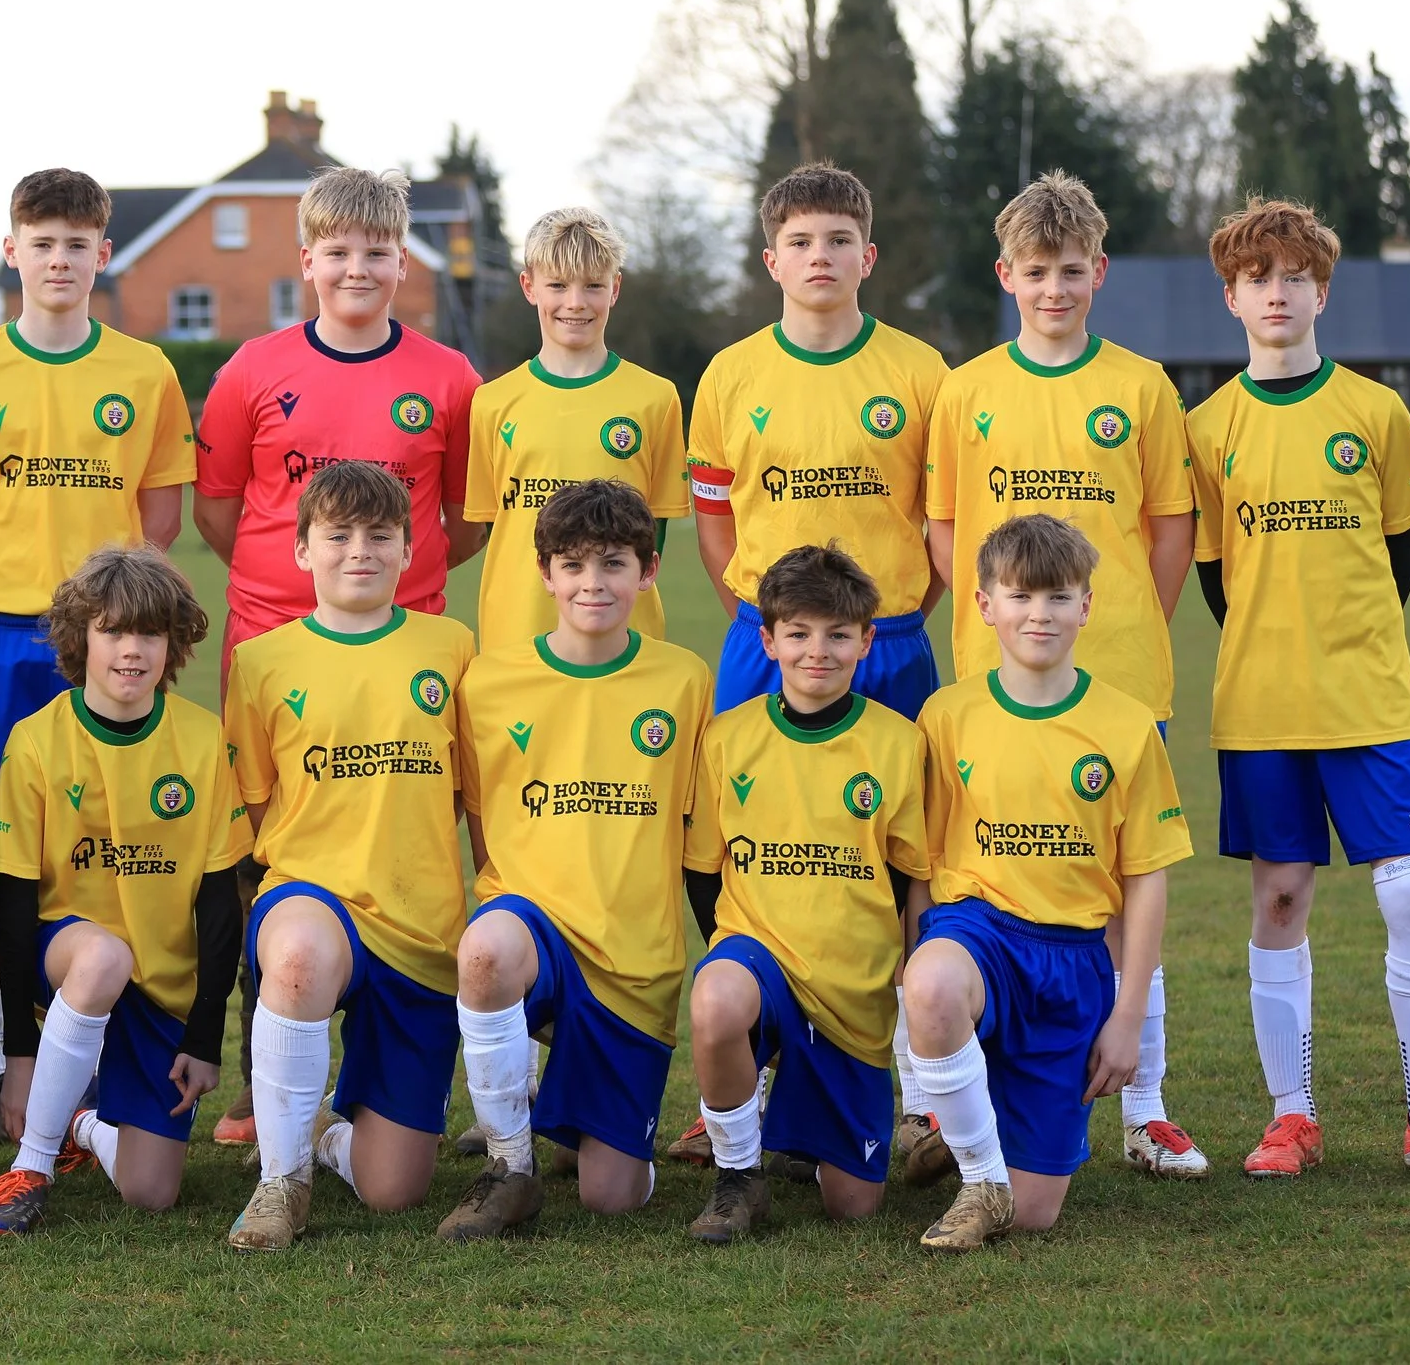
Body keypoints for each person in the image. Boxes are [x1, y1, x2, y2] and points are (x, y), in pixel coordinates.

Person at [1187, 199, 1410, 1183]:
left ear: (1321, 289)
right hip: (1258, 703)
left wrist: (1346, 642)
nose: (1276, 292)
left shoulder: (1375, 412)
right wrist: (1279, 645)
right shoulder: (1207, 430)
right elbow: (1215, 575)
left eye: (1294, 275)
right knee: (1279, 896)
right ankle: (1291, 1116)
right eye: (1257, 278)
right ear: (1231, 297)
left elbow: (1399, 551)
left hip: (1369, 697)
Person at [920, 171, 1205, 1181]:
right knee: (974, 874)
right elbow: (944, 522)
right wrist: (1002, 625)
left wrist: (1126, 621)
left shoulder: (1140, 385)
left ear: (1100, 273)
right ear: (1007, 275)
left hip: (1117, 675)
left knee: (1126, 881)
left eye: (1070, 271)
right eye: (1035, 271)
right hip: (990, 683)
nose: (1053, 288)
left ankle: (1146, 1102)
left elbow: (1169, 529)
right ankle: (939, 1096)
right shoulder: (967, 389)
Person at [193, 163, 481, 1145]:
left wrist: (396, 587)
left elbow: (463, 516)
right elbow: (220, 507)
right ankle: (258, 1074)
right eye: (339, 251)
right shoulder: (250, 369)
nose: (357, 267)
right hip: (271, 641)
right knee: (259, 855)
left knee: (400, 833)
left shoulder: (447, 377)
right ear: (306, 259)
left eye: (376, 252)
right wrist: (292, 588)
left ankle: (382, 1060)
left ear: (402, 260)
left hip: (406, 648)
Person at [900, 514, 1189, 1252]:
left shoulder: (1126, 727)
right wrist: (914, 988)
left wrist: (1129, 1018)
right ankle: (978, 1171)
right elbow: (921, 868)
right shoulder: (947, 715)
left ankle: (974, 1138)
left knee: (1035, 1216)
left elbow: (1146, 880)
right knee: (934, 982)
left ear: (1087, 606)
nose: (1040, 613)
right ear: (984, 604)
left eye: (1060, 597)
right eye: (1021, 596)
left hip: (1070, 960)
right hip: (978, 933)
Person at [438, 480, 716, 1241]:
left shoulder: (685, 680)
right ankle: (508, 1163)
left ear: (649, 571)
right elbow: (478, 814)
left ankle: (588, 1120)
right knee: (488, 949)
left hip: (633, 956)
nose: (593, 582)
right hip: (535, 926)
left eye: (614, 563)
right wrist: (503, 896)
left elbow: (700, 829)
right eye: (573, 564)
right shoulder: (490, 680)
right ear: (545, 572)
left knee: (611, 1197)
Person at [221, 462, 476, 1250]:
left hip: (420, 923)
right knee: (295, 956)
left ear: (410, 550)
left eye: (379, 535)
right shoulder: (262, 663)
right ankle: (281, 1179)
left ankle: (324, 1130)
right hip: (311, 894)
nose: (358, 550)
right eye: (337, 535)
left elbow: (474, 796)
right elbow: (253, 808)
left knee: (392, 1190)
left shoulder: (453, 647)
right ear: (302, 550)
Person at [0, 546, 248, 1233]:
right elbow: (13, 908)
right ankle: (28, 1168)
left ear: (173, 645)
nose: (132, 650)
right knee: (103, 958)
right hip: (64, 958)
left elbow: (218, 901)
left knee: (151, 1192)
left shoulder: (202, 740)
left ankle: (81, 1125)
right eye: (113, 631)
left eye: (149, 634)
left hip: (162, 983)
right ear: (78, 638)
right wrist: (21, 1054)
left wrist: (206, 1036)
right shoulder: (35, 743)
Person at [680, 543, 928, 1241]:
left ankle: (803, 1121)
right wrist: (732, 965)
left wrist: (909, 974)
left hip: (852, 991)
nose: (817, 650)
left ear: (866, 639)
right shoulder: (726, 740)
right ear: (768, 639)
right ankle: (737, 1174)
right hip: (759, 959)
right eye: (797, 633)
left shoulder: (898, 744)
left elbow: (913, 878)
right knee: (717, 996)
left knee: (853, 1205)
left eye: (837, 634)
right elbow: (703, 871)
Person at [0, 168, 196, 766]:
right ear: (11, 251)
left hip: (109, 630)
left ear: (103, 254)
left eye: (76, 245)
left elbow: (164, 518)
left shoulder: (147, 373)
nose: (59, 261)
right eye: (42, 244)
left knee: (97, 813)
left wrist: (119, 601)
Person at [686, 164, 947, 719]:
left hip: (888, 641)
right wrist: (768, 627)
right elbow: (714, 525)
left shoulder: (923, 373)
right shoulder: (727, 375)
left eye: (839, 240)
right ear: (773, 262)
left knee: (896, 804)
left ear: (868, 257)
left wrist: (899, 619)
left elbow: (945, 523)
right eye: (800, 241)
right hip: (766, 641)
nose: (819, 255)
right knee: (750, 803)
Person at [465, 205, 688, 652]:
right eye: (558, 286)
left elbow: (654, 528)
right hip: (517, 635)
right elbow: (494, 529)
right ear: (529, 287)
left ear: (615, 288)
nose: (575, 303)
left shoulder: (655, 397)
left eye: (593, 286)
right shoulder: (491, 402)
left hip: (625, 639)